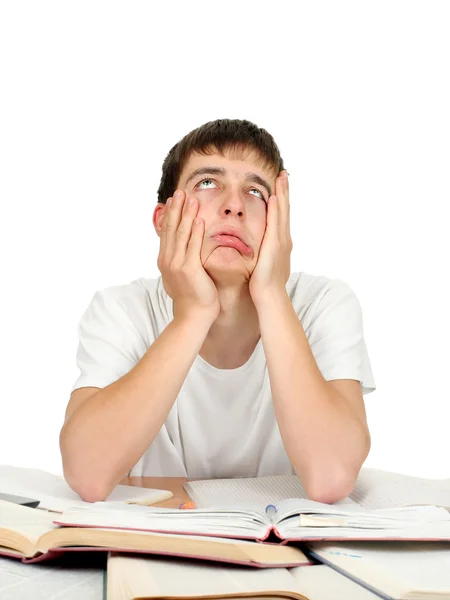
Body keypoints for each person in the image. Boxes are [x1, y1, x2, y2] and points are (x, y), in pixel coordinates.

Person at [60, 119, 376, 504]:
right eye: (207, 183)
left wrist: (272, 293)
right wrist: (194, 313)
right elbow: (87, 475)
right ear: (164, 220)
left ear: (278, 223)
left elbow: (332, 477)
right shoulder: (121, 310)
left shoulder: (324, 303)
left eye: (256, 192)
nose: (234, 205)